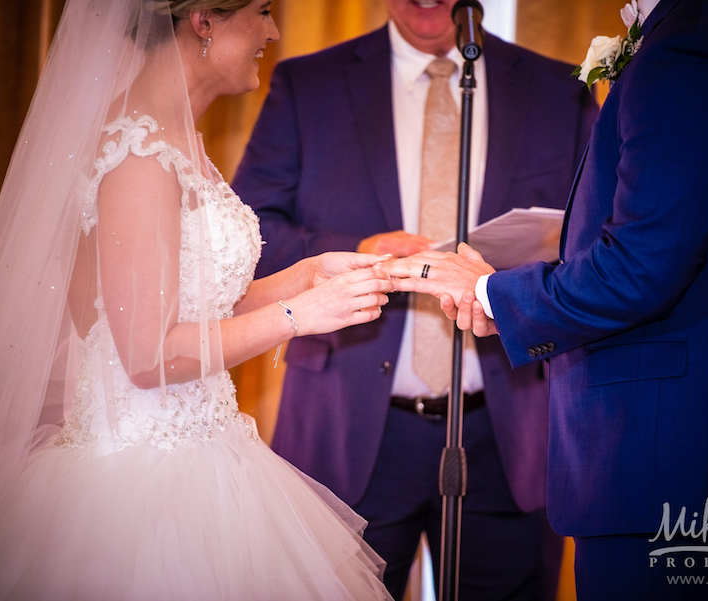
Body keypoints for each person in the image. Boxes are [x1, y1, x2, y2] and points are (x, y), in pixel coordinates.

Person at [0, 0, 394, 598]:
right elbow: (148, 356)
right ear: (204, 20)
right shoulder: (138, 154)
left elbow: (191, 308)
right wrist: (299, 317)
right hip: (140, 482)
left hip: (209, 452)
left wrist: (305, 277)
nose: (273, 31)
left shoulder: (171, 136)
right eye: (261, 11)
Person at [384, 0, 708, 599]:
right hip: (677, 446)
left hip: (661, 460)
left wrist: (486, 291)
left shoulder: (694, 45)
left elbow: (638, 269)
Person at [231, 1, 597, 598]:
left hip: (510, 431)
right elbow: (250, 232)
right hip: (347, 427)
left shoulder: (557, 89)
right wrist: (355, 248)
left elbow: (598, 239)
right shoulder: (310, 83)